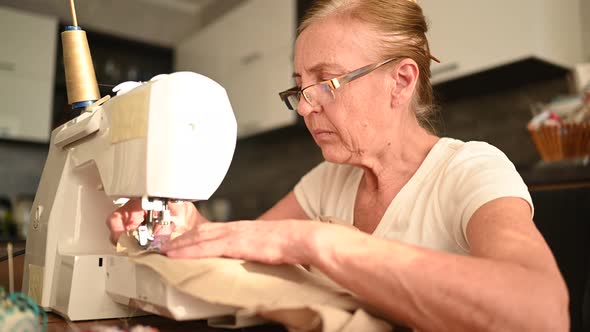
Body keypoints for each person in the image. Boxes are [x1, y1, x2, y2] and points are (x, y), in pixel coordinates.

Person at [107, 0, 569, 330]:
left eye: (327, 82)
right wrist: (188, 223)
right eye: (299, 87)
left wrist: (319, 242)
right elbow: (244, 261)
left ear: (401, 81)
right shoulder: (330, 180)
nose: (306, 106)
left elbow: (541, 313)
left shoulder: (472, 170)